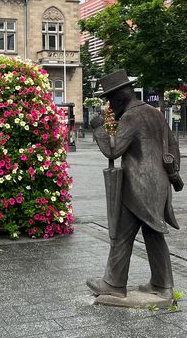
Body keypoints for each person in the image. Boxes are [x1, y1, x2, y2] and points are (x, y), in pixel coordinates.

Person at [86, 70, 180, 300]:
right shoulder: (154, 113)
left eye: (109, 99)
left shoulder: (131, 116)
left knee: (122, 232)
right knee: (152, 232)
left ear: (119, 97)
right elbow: (173, 146)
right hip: (157, 185)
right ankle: (162, 284)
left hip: (138, 185)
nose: (109, 105)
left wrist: (98, 127)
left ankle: (114, 284)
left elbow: (113, 150)